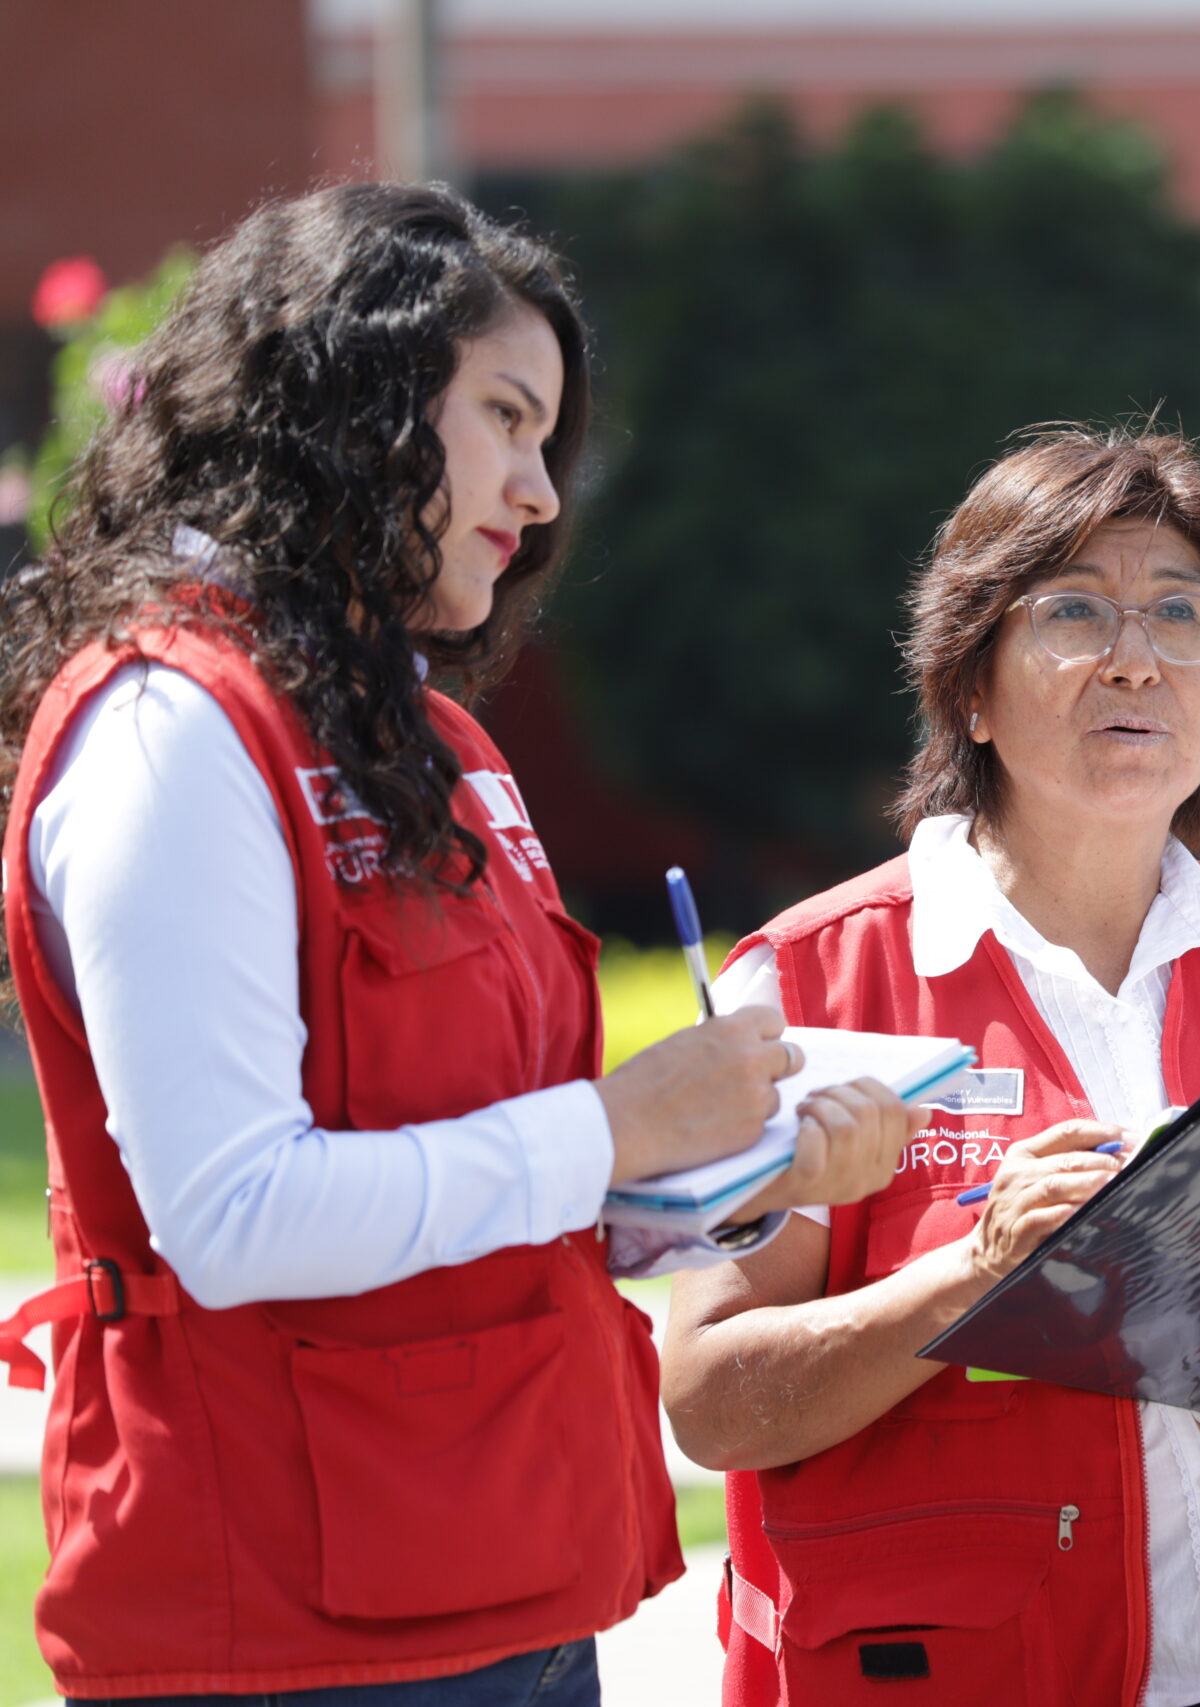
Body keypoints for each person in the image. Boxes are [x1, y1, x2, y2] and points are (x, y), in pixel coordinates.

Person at [0, 184, 922, 1703]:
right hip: (281, 1625)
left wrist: (731, 1182)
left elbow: (507, 1182)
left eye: (549, 439)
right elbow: (230, 1215)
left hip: (514, 1580)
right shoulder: (172, 726)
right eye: (505, 416)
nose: (542, 493)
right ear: (351, 398)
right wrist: (616, 1125)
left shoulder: (437, 742)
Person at [660, 427, 1200, 1705]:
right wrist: (976, 1278)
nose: (1136, 658)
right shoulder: (815, 981)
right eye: (1073, 611)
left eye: (1182, 613)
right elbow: (710, 1401)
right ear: (972, 692)